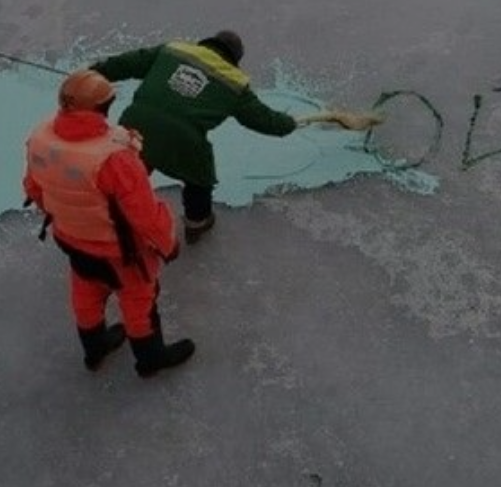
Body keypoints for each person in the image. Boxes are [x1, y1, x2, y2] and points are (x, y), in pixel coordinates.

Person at [23, 69, 195, 378]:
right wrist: (169, 245)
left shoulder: (40, 140)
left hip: (70, 238)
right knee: (138, 300)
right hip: (120, 252)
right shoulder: (116, 159)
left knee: (86, 290)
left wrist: (70, 215)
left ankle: (95, 348)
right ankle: (150, 359)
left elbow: (34, 188)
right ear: (106, 106)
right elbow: (144, 215)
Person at [89, 30, 299, 244]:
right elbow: (263, 119)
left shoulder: (172, 51)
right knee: (200, 177)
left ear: (207, 44)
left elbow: (127, 63)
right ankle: (197, 222)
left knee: (131, 167)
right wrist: (289, 124)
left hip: (136, 123)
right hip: (184, 140)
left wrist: (93, 74)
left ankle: (111, 210)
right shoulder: (234, 84)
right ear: (235, 59)